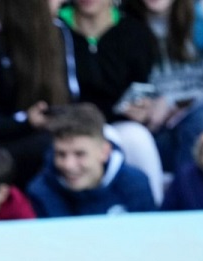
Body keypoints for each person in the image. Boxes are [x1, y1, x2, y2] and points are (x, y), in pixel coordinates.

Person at [57, 0, 166, 201]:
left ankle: (153, 212)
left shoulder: (134, 31)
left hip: (118, 122)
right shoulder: (56, 28)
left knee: (138, 139)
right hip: (69, 124)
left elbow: (143, 86)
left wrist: (142, 108)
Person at [0, 0, 72, 188]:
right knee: (49, 150)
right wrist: (26, 121)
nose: (61, 2)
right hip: (1, 145)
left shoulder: (60, 31)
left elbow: (72, 94)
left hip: (54, 132)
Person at [126, 0, 203, 174]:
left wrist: (174, 101)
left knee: (199, 123)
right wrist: (138, 105)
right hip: (154, 120)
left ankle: (187, 194)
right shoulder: (127, 19)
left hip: (199, 107)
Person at [26, 102, 158, 216]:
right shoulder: (41, 192)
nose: (69, 165)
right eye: (61, 154)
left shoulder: (135, 185)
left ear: (104, 152)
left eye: (80, 154)